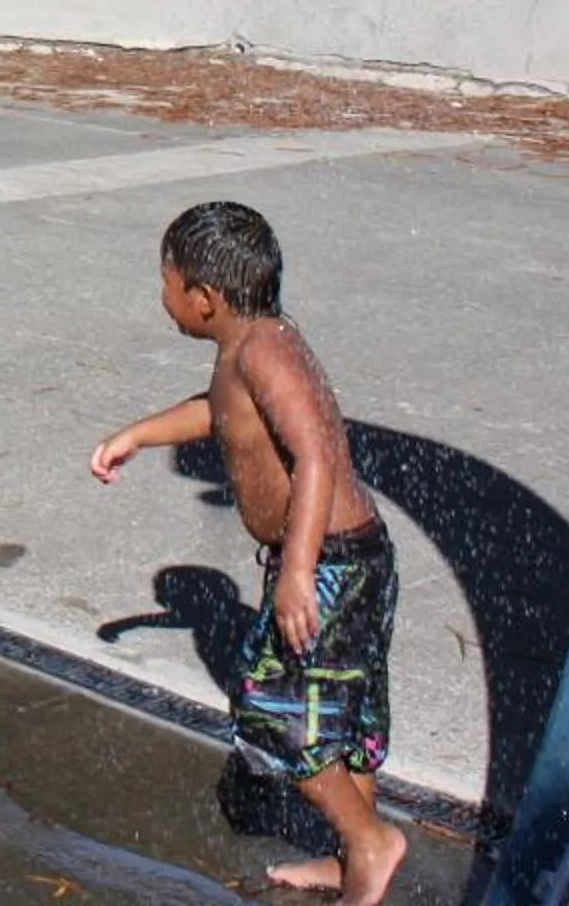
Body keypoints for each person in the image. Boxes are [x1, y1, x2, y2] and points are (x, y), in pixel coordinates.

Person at [90, 201, 402, 902]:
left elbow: (316, 459)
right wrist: (137, 434)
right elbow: (217, 410)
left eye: (166, 281)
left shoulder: (264, 350)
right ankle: (354, 855)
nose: (162, 295)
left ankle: (369, 843)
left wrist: (298, 572)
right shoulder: (249, 346)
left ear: (203, 296)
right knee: (342, 710)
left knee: (271, 709)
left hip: (329, 564)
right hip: (344, 558)